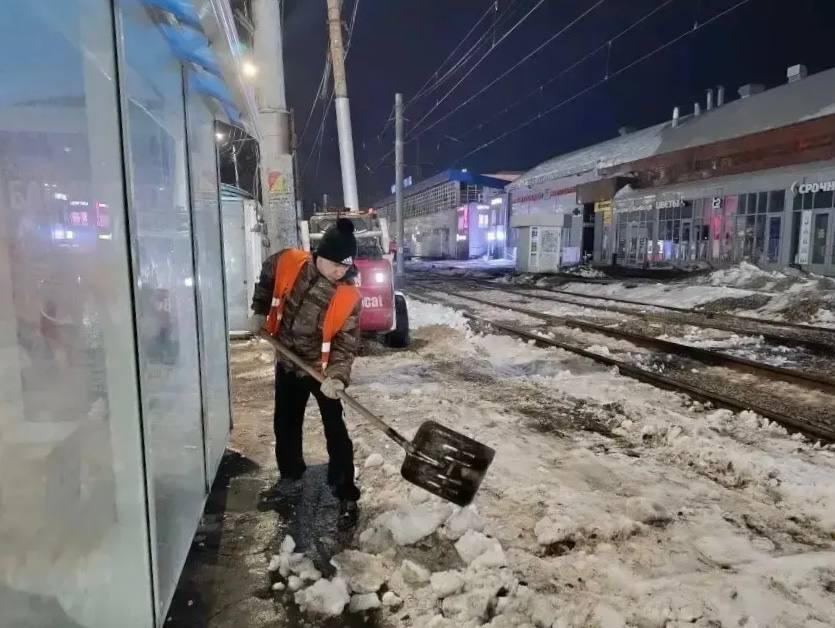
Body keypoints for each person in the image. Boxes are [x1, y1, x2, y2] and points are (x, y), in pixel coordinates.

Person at [249, 218, 363, 529]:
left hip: (320, 370)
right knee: (285, 422)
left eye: (345, 266)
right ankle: (290, 477)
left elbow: (345, 343)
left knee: (335, 430)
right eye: (335, 264)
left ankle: (345, 494)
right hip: (287, 359)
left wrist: (337, 377)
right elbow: (267, 276)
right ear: (319, 254)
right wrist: (260, 310)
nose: (341, 271)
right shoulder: (289, 262)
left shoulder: (348, 296)